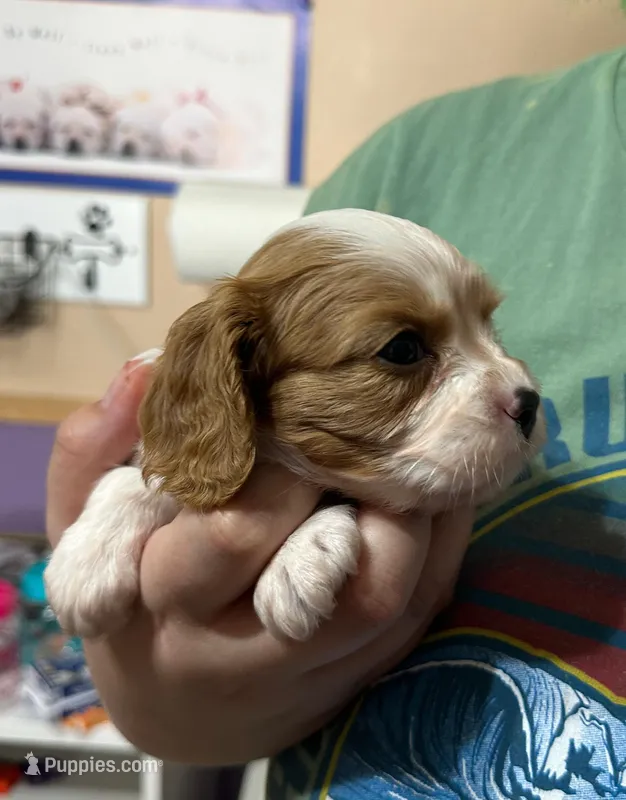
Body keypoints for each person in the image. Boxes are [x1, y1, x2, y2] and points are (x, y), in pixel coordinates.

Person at [47, 44, 626, 798]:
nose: (518, 385)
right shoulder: (420, 157)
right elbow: (177, 466)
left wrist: (330, 527)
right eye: (405, 349)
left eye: (489, 333)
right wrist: (149, 677)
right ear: (237, 366)